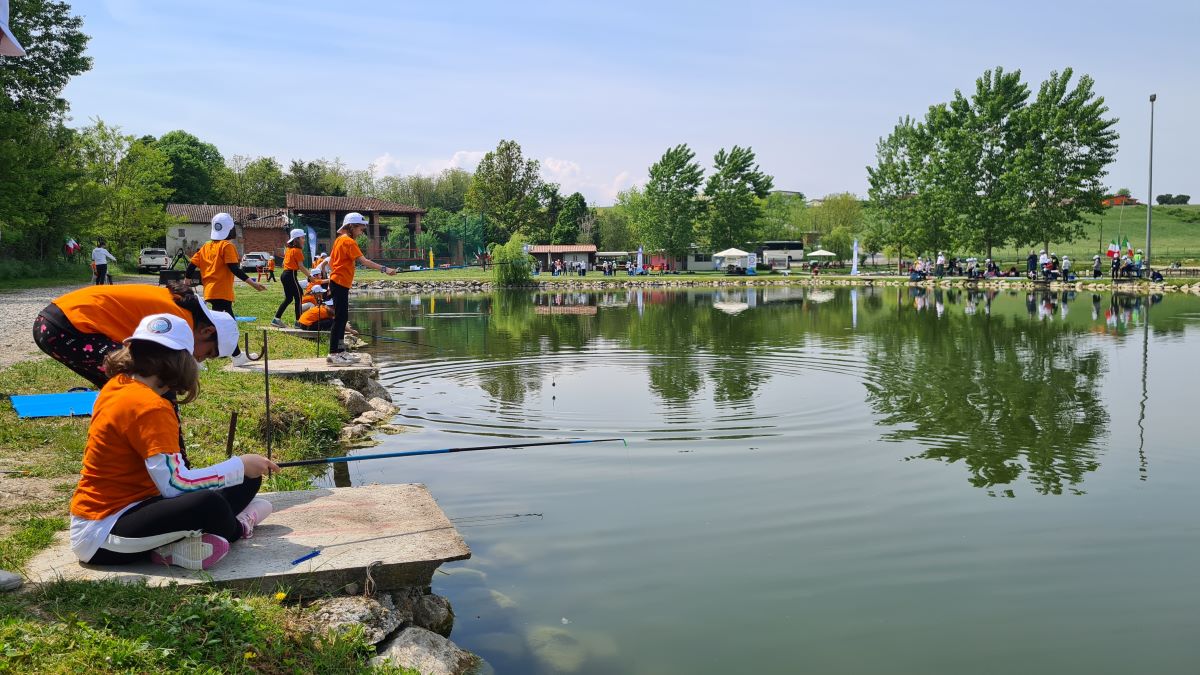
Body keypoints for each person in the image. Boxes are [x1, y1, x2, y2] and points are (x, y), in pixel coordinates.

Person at [68, 313, 278, 570]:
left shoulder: (118, 384)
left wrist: (242, 471)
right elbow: (175, 486)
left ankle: (175, 546)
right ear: (182, 360)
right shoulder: (151, 407)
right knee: (209, 503)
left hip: (135, 508)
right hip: (104, 535)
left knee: (247, 479)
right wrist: (238, 464)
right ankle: (239, 526)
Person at [33, 281, 240, 388]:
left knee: (117, 386)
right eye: (207, 353)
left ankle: (122, 448)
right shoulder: (179, 321)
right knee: (145, 384)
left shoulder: (181, 307)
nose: (199, 358)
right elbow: (162, 372)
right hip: (69, 327)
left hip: (54, 322)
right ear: (207, 331)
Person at [187, 213, 266, 363]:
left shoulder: (206, 246)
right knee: (228, 326)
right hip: (222, 292)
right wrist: (253, 284)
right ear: (230, 230)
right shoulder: (227, 246)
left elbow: (191, 266)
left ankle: (221, 352)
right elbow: (234, 268)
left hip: (210, 291)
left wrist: (186, 282)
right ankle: (236, 357)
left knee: (218, 325)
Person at [327, 212, 395, 365]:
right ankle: (334, 353)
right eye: (360, 229)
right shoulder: (349, 242)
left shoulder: (339, 240)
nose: (361, 232)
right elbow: (364, 261)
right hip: (340, 283)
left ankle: (340, 351)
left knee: (342, 317)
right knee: (340, 319)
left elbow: (331, 262)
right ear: (351, 227)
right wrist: (385, 269)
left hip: (337, 282)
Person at [272, 229, 312, 327]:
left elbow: (283, 264)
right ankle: (299, 322)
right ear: (296, 240)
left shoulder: (289, 250)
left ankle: (276, 319)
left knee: (289, 298)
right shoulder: (297, 251)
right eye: (302, 238)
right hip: (291, 275)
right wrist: (310, 276)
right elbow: (301, 267)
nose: (304, 240)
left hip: (285, 274)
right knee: (299, 296)